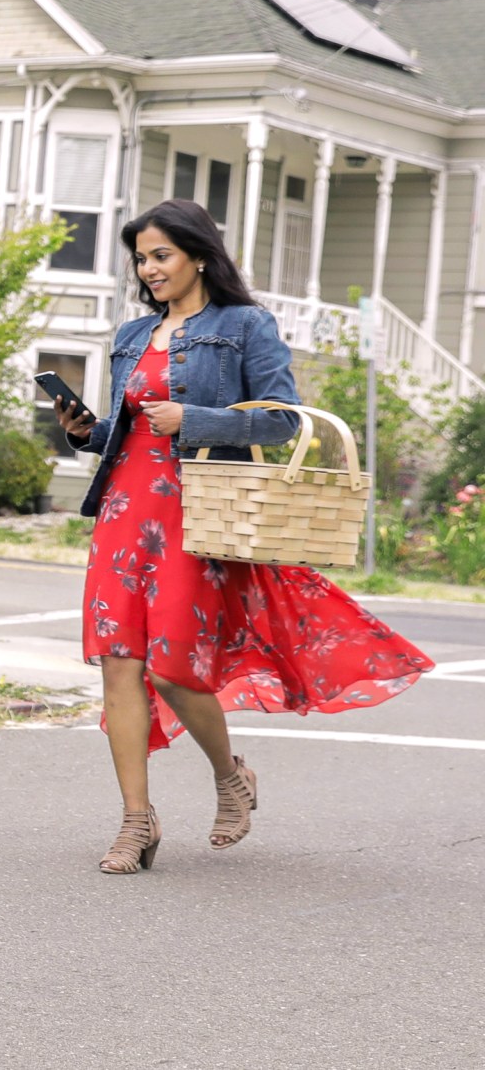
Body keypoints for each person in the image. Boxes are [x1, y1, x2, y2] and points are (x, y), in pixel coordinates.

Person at [56, 198, 431, 874]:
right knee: (119, 662)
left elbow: (285, 422)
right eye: (141, 258)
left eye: (161, 254)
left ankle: (229, 775)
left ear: (199, 254)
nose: (149, 269)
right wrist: (88, 432)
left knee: (171, 665)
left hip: (197, 512)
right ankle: (135, 822)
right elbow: (133, 431)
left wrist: (195, 418)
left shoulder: (245, 325)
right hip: (123, 511)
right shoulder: (131, 335)